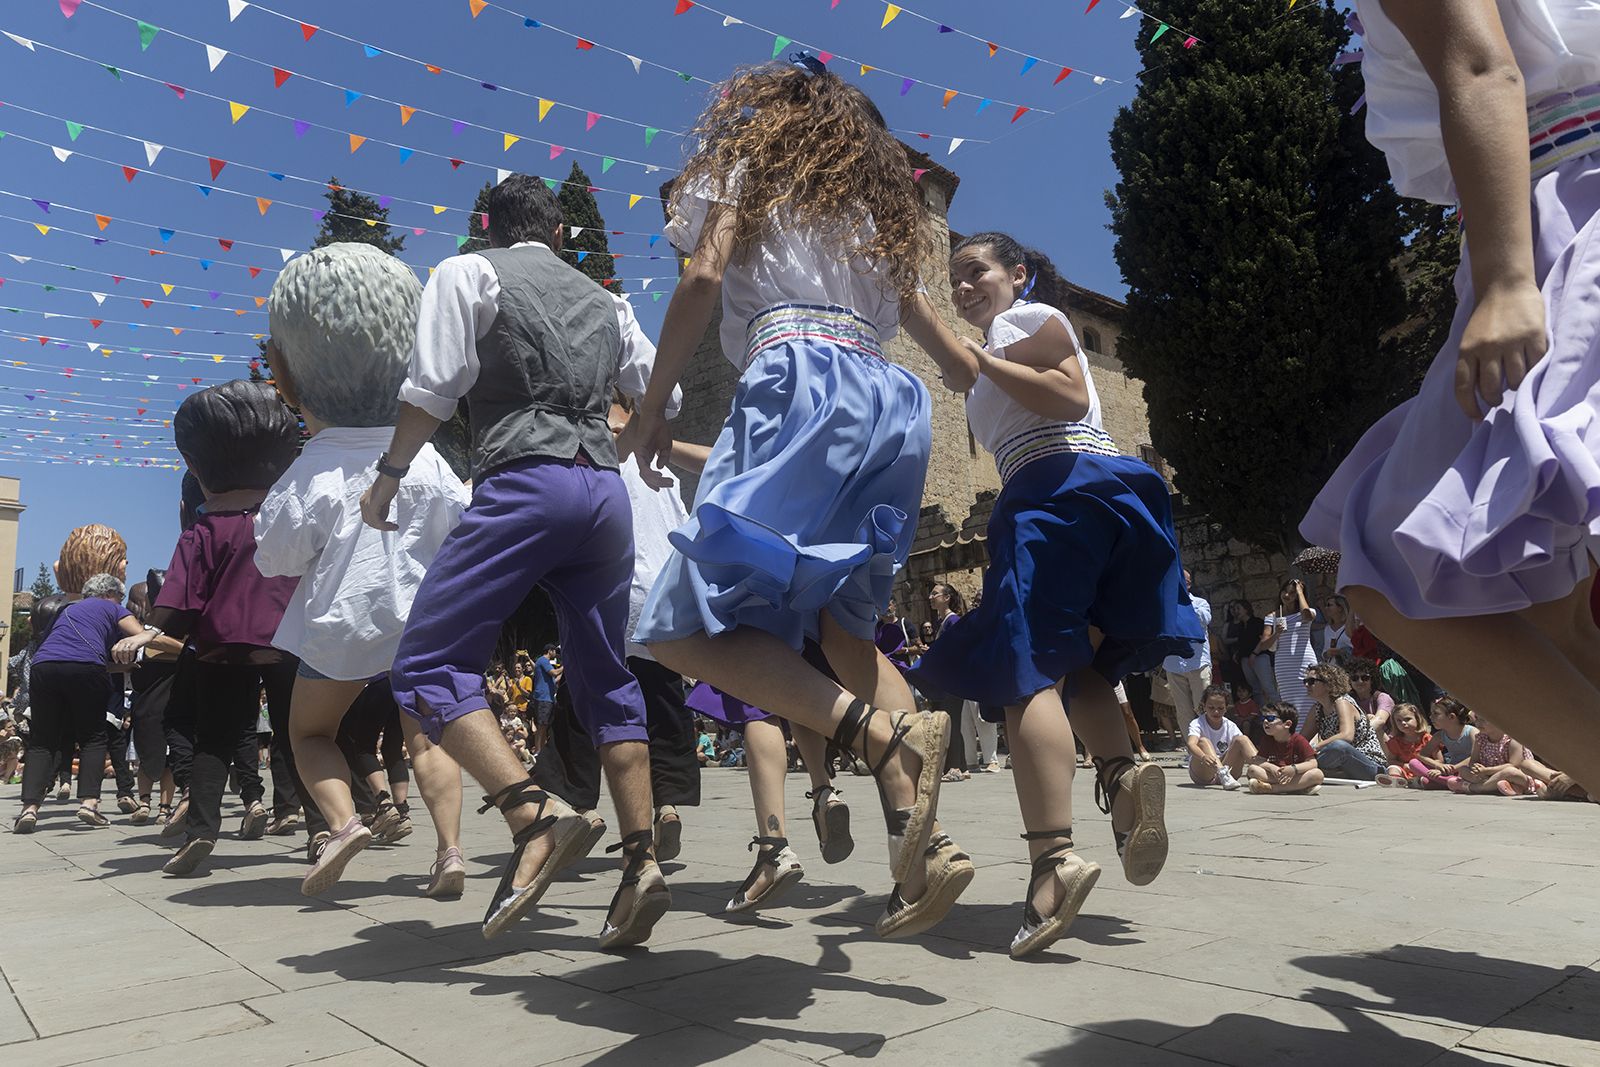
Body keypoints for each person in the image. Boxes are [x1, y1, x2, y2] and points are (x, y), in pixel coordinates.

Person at [619, 55, 981, 941]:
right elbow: (956, 359)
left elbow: (702, 279)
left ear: (768, 117)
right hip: (894, 402)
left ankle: (875, 735)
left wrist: (654, 407)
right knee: (846, 632)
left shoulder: (744, 169)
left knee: (677, 626)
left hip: (798, 378)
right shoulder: (872, 214)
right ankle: (921, 844)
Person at [1297, 1, 1600, 801]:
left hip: (1557, 216)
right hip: (1546, 209)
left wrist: (1506, 277)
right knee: (1546, 598)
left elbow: (1478, 65)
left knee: (1395, 557)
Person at [362, 174, 674, 948]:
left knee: (427, 665)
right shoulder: (612, 302)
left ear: (489, 226)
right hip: (605, 493)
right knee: (606, 673)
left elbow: (432, 389)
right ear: (561, 234)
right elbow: (651, 392)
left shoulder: (469, 270)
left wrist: (390, 473)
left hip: (523, 481)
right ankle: (640, 866)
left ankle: (532, 814)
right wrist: (616, 453)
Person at [912, 229, 1204, 958]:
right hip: (1112, 499)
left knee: (1027, 672)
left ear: (1019, 274)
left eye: (975, 270)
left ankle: (1053, 859)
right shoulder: (993, 349)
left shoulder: (1020, 320)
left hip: (1054, 490)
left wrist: (976, 350)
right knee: (1083, 668)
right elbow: (955, 361)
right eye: (954, 278)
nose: (963, 286)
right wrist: (899, 286)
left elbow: (1073, 390)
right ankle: (1124, 772)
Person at [244, 243, 472, 897]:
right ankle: (451, 850)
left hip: (341, 623)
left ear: (286, 375)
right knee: (426, 737)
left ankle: (344, 822)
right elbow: (462, 530)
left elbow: (275, 554)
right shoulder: (424, 458)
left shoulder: (313, 464)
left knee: (310, 730)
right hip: (424, 619)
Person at [113, 381, 311, 876]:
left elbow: (181, 596)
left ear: (197, 468)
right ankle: (323, 826)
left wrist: (145, 633)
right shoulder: (289, 520)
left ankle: (201, 831)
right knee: (302, 734)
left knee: (215, 739)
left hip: (221, 645)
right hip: (290, 640)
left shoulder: (203, 531)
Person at [14, 574, 147, 832]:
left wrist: (121, 668)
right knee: (93, 738)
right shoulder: (111, 606)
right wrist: (132, 647)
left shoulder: (66, 610)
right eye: (119, 597)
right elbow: (139, 634)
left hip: (44, 667)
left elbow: (63, 652)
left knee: (42, 741)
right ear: (111, 594)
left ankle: (29, 810)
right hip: (86, 668)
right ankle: (89, 804)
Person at [1301, 660, 1387, 782]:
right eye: (1305, 681)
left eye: (1311, 681)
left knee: (1339, 747)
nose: (1307, 685)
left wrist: (1315, 747)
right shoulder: (1317, 709)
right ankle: (1308, 769)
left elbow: (1346, 736)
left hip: (1370, 764)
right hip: (1340, 764)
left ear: (1328, 683)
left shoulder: (1342, 702)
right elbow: (1302, 739)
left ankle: (1304, 769)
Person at [924, 583, 971, 782]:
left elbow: (960, 648)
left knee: (950, 722)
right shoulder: (942, 622)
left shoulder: (953, 621)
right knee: (951, 722)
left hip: (953, 680)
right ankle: (961, 765)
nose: (930, 597)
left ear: (947, 597)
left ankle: (954, 767)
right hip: (947, 680)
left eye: (935, 593)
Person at [1163, 569, 1213, 735]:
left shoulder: (1200, 603)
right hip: (1173, 663)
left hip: (1198, 663)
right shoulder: (1165, 604)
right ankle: (1192, 751)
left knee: (1205, 708)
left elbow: (1204, 620)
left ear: (1189, 584)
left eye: (1181, 580)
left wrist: (1184, 602)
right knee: (1183, 712)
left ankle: (1209, 747)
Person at [1265, 579, 1320, 729]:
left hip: (1304, 661)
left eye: (1292, 593)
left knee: (1310, 698)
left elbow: (1307, 615)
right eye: (1285, 591)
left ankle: (1311, 734)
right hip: (1284, 665)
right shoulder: (1273, 616)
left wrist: (1301, 591)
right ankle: (1296, 735)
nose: (1287, 595)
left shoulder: (1307, 612)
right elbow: (1264, 644)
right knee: (1290, 702)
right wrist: (1277, 633)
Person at [1243, 703, 1324, 795]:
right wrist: (1272, 767)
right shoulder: (1267, 739)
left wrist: (1293, 769)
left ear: (1287, 724)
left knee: (1317, 774)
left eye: (1270, 719)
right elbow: (1258, 761)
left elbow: (1313, 763)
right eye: (1263, 718)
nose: (1265, 721)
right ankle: (1298, 788)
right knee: (1252, 770)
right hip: (1276, 775)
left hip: (1295, 775)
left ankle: (1271, 788)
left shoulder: (1299, 740)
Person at [1447, 716, 1538, 796]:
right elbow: (1473, 760)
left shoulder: (1512, 739)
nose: (1478, 723)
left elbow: (1514, 765)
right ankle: (1503, 787)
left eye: (1483, 719)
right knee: (1463, 770)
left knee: (1510, 772)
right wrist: (1476, 768)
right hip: (1488, 776)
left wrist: (1487, 771)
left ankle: (1475, 788)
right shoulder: (1480, 738)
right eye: (1477, 718)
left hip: (1515, 775)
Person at [1185, 685, 1250, 790]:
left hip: (1229, 770)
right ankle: (1222, 773)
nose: (1216, 712)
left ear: (1226, 707)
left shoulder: (1230, 725)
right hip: (1203, 772)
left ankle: (1264, 768)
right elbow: (1191, 744)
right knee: (1203, 741)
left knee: (1242, 739)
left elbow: (1243, 746)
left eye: (1220, 708)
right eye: (1211, 708)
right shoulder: (1197, 723)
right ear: (1204, 706)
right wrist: (1203, 756)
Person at [1409, 696, 1478, 790]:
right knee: (1413, 763)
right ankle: (1450, 782)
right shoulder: (1440, 735)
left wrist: (1453, 768)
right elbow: (1421, 754)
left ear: (1451, 717)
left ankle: (1445, 782)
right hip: (1450, 770)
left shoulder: (1471, 732)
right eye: (1431, 713)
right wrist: (1438, 765)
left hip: (1467, 769)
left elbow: (1475, 757)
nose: (1430, 717)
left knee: (1426, 782)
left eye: (1436, 714)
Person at [1225, 599, 1278, 704]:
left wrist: (1254, 654)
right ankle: (1259, 712)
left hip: (1259, 657)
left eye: (1238, 608)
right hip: (1246, 660)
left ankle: (1280, 710)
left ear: (1246, 609)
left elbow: (1263, 639)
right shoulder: (1240, 626)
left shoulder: (1257, 622)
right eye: (1234, 609)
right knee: (1254, 689)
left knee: (1268, 687)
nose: (1236, 611)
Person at [1376, 703, 1431, 788]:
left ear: (1417, 719)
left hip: (1423, 770)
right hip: (1404, 770)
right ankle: (1395, 780)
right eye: (1398, 720)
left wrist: (1421, 766)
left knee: (1425, 778)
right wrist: (1404, 765)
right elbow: (1391, 760)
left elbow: (1439, 760)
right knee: (1393, 768)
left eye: (1407, 719)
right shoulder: (1396, 741)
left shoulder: (1427, 739)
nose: (1403, 723)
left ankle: (1414, 782)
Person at [1347, 657, 1396, 739]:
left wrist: (1356, 736)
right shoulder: (1348, 700)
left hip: (1386, 743)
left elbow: (1380, 721)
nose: (1360, 681)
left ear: (1372, 680)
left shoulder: (1382, 697)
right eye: (1354, 678)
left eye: (1365, 678)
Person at [530, 644, 561, 755]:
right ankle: (538, 750)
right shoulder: (543, 660)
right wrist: (565, 665)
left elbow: (555, 679)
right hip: (543, 697)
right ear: (549, 651)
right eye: (554, 651)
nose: (555, 654)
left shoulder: (542, 662)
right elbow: (554, 673)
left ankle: (542, 749)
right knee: (542, 725)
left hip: (548, 698)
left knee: (545, 725)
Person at [1320, 594, 1355, 659]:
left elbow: (1357, 649)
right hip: (1332, 667)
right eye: (1326, 605)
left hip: (1347, 667)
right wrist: (1327, 654)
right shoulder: (1327, 629)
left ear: (1340, 608)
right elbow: (1324, 653)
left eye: (1329, 605)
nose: (1326, 608)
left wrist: (1342, 652)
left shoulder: (1350, 627)